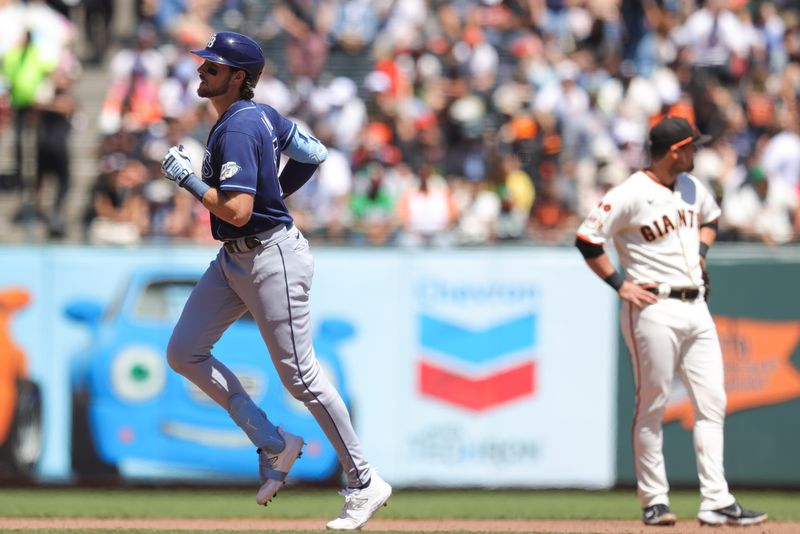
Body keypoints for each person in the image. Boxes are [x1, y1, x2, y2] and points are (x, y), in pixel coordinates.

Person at [159, 32, 391, 531]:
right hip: (237, 258)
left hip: (270, 255)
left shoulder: (240, 127)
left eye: (213, 67)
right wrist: (275, 192)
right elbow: (312, 151)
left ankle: (364, 480)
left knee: (302, 378)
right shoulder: (260, 115)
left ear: (238, 77)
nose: (202, 72)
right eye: (203, 65)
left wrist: (189, 181)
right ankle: (273, 441)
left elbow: (239, 211)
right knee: (184, 351)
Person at [574, 117, 767, 527]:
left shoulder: (694, 188)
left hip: (697, 305)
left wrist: (701, 250)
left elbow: (711, 218)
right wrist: (620, 285)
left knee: (712, 402)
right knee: (653, 405)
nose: (698, 152)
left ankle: (716, 500)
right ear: (675, 150)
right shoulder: (630, 193)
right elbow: (587, 238)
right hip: (652, 307)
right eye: (692, 146)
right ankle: (654, 500)